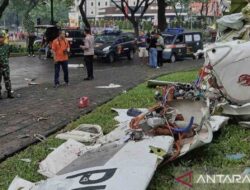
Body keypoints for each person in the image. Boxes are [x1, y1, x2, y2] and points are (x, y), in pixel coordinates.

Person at [0, 32, 14, 99]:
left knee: (7, 80)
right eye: (0, 37)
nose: (1, 39)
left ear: (4, 38)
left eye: (2, 37)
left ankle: (9, 93)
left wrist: (4, 61)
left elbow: (8, 55)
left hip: (5, 66)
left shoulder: (7, 46)